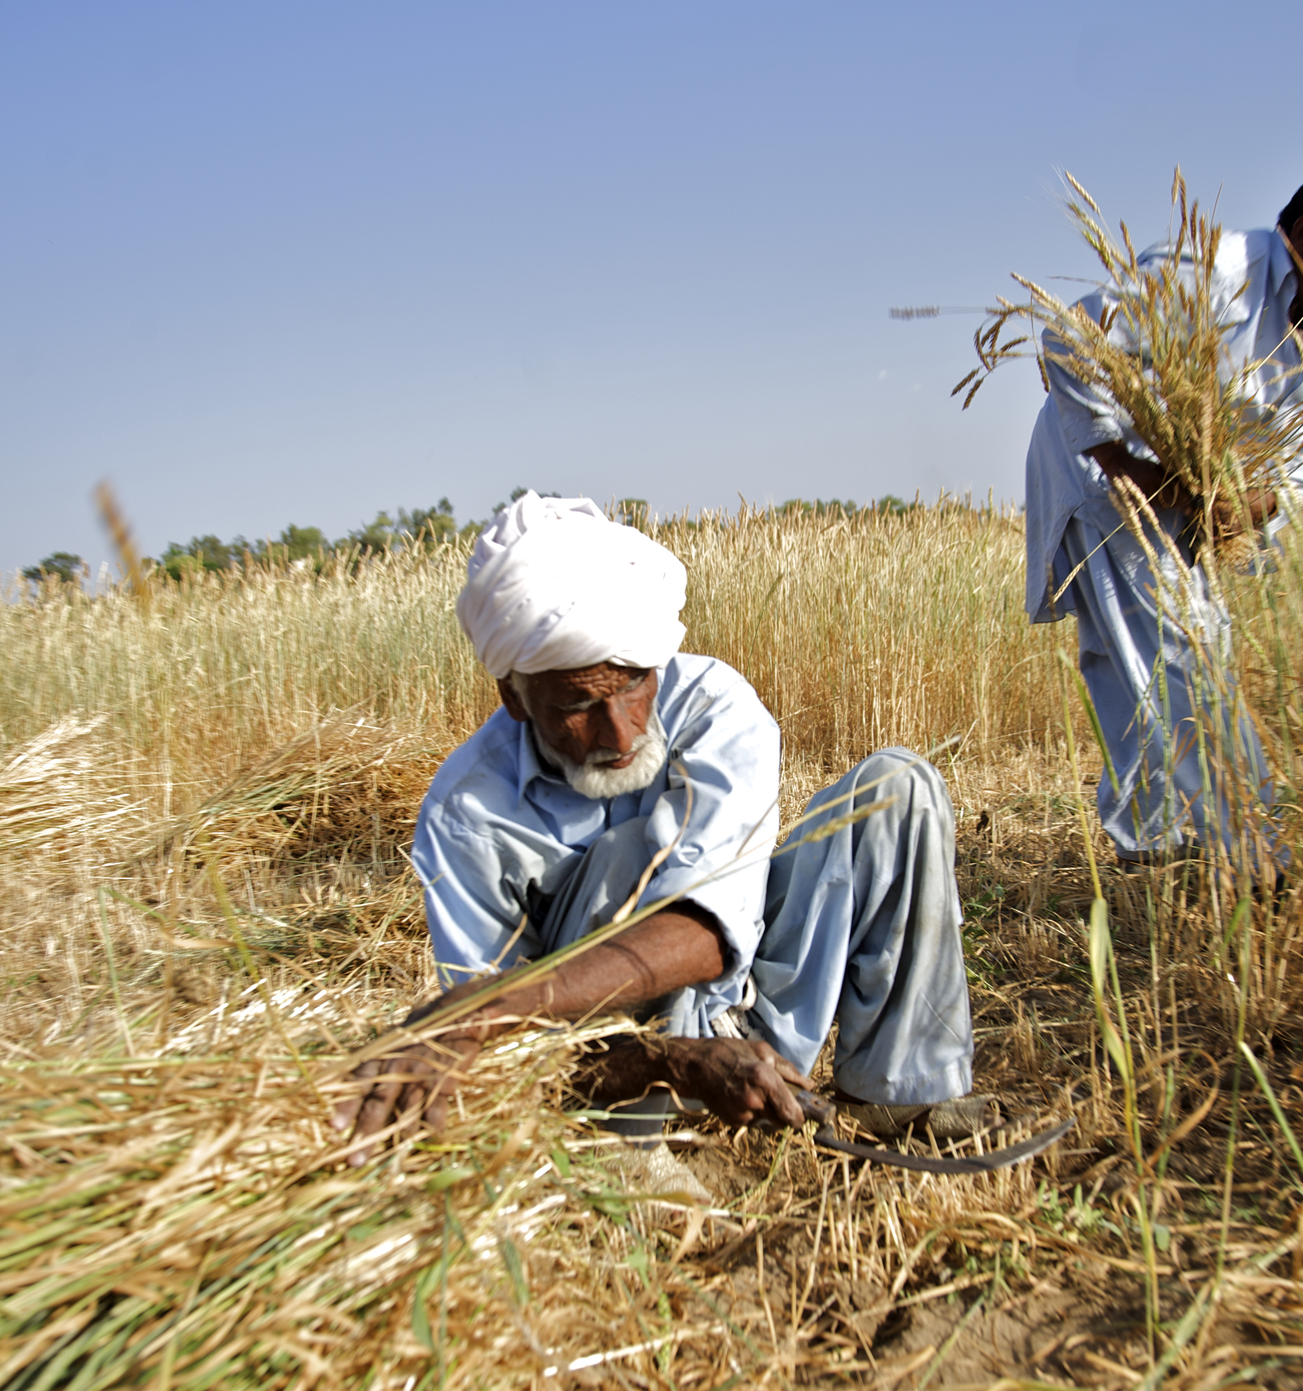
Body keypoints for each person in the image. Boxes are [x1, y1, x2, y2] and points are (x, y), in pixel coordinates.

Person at [337, 492, 986, 1153]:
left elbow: (709, 933)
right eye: (577, 704)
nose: (618, 730)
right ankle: (635, 1149)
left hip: (750, 992)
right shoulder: (467, 812)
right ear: (513, 696)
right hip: (620, 1071)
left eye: (632, 685)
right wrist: (664, 1059)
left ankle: (898, 1098)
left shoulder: (713, 705)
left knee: (899, 789)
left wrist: (497, 1003)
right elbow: (512, 1058)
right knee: (626, 858)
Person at [1025, 159, 1303, 864]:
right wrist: (1129, 464)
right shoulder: (1204, 271)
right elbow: (1068, 341)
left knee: (1136, 660)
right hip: (1103, 477)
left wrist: (1254, 504)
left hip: (1187, 502)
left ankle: (1147, 844)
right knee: (1182, 657)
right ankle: (1254, 854)